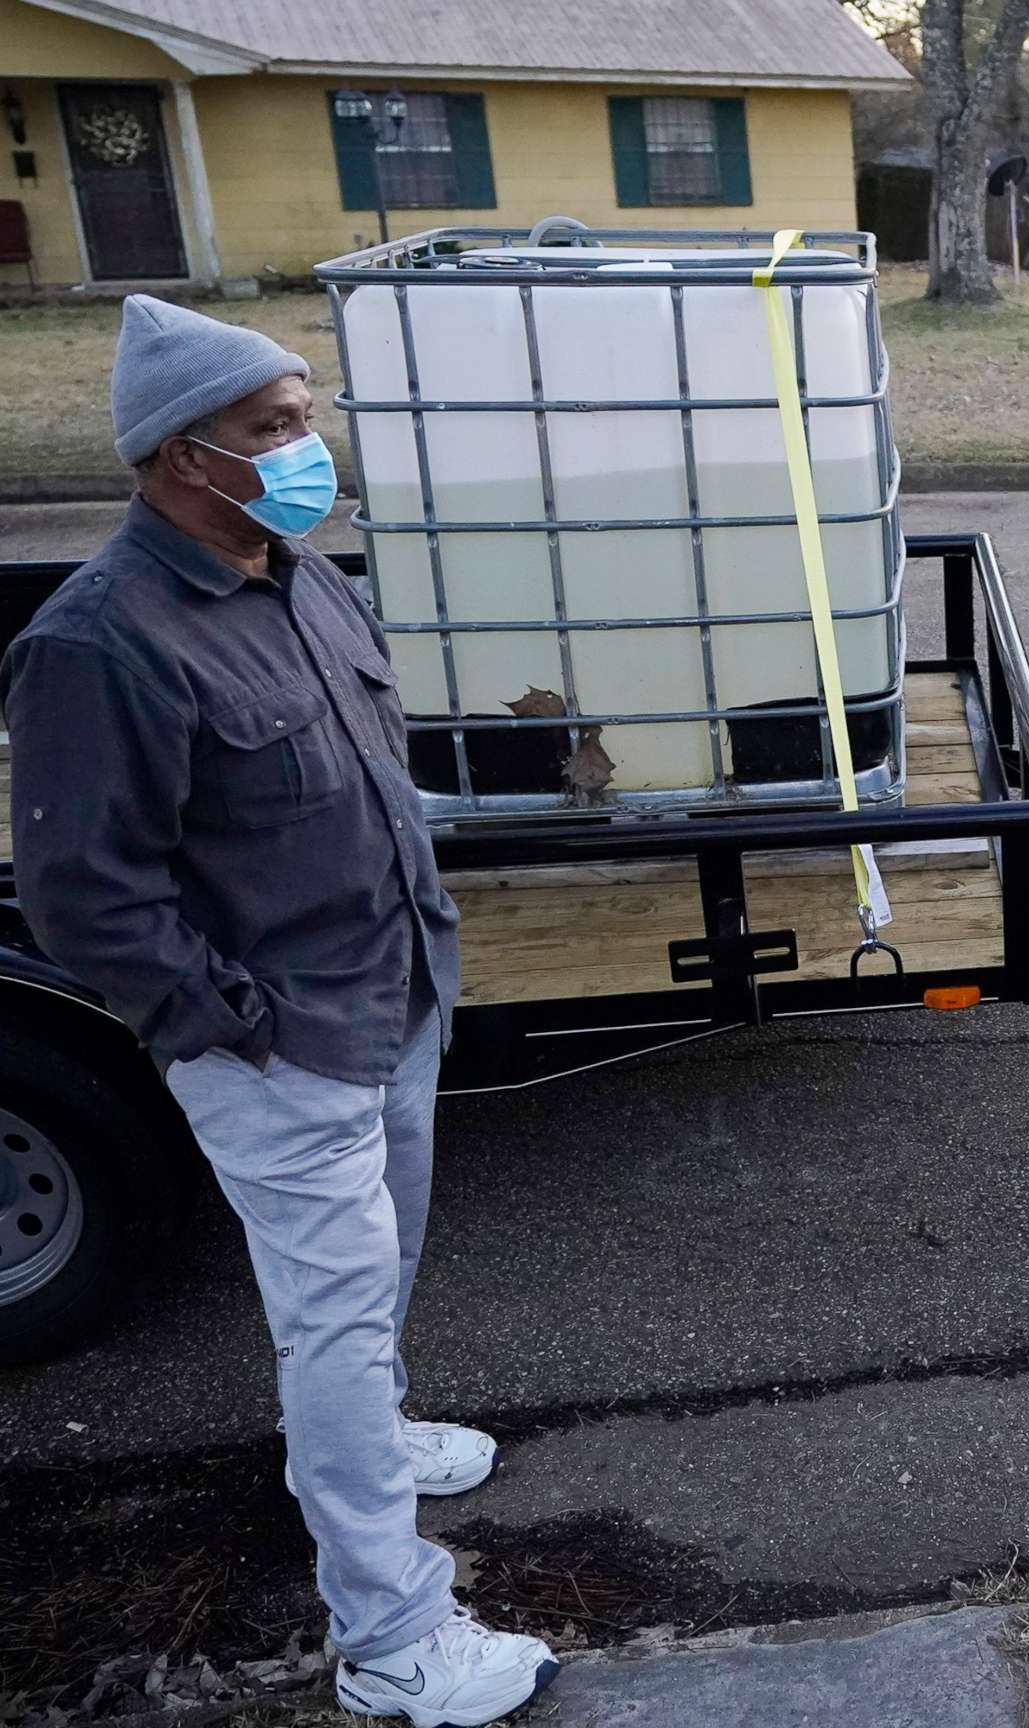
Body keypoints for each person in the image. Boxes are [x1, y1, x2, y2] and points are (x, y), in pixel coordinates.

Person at [0, 297, 557, 1728]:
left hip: (398, 994)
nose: (309, 447)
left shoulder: (296, 574)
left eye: (306, 415)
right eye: (276, 428)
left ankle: (374, 1432)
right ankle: (393, 1639)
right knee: (334, 1324)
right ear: (185, 459)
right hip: (283, 1044)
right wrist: (235, 1025)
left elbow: (357, 772)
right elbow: (83, 899)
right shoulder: (99, 644)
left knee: (374, 1292)